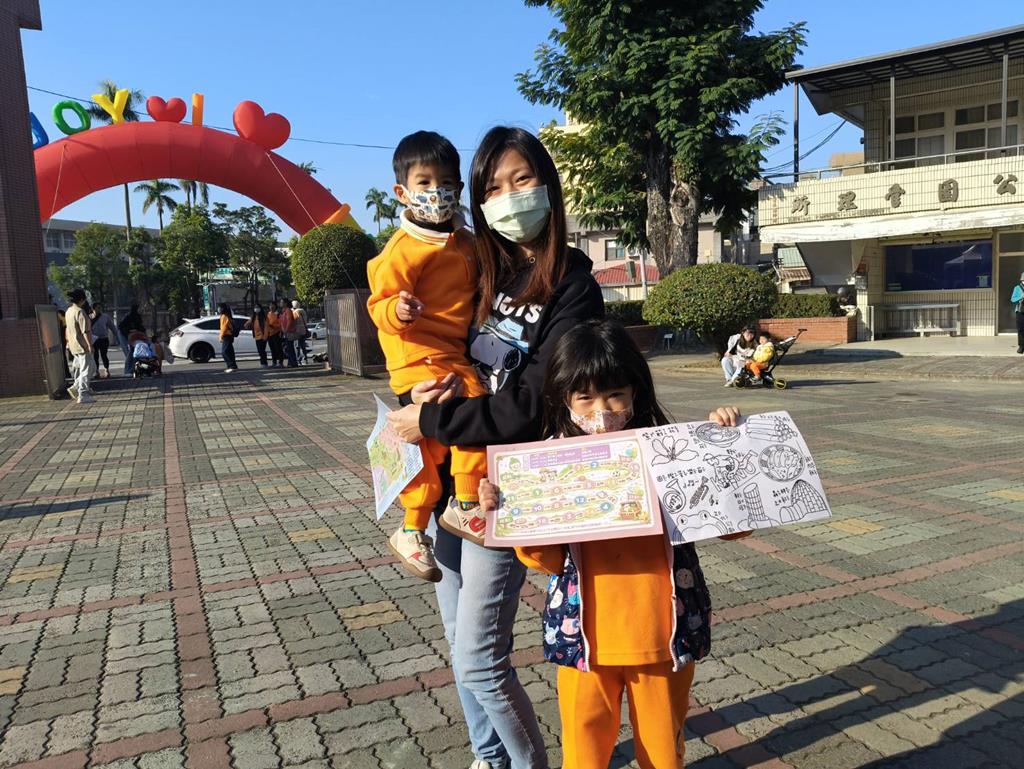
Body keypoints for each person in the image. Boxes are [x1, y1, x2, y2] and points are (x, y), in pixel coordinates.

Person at [388, 126, 605, 769]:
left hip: (505, 488)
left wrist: (432, 420)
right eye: (492, 187)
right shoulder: (481, 266)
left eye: (521, 180)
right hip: (455, 481)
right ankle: (489, 758)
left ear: (547, 184)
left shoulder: (573, 286)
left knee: (480, 659)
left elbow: (529, 405)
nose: (509, 197)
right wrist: (416, 388)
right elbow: (431, 341)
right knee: (458, 641)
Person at [480, 320, 746, 769]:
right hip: (583, 638)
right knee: (583, 754)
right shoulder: (544, 463)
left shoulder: (671, 452)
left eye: (615, 394)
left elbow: (734, 525)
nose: (601, 410)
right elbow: (547, 561)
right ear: (564, 399)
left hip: (663, 635)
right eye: (584, 397)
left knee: (663, 755)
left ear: (636, 391)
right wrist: (509, 512)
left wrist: (727, 444)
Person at [367, 130, 488, 583]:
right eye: (424, 182)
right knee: (475, 411)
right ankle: (467, 502)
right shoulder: (401, 249)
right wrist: (397, 311)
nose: (437, 192)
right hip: (418, 355)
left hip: (450, 352)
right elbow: (377, 304)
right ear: (402, 192)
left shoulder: (467, 243)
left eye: (446, 182)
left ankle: (412, 528)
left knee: (431, 445)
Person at [65, 289, 94, 404]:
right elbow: (85, 331)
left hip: (73, 345)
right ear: (81, 300)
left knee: (86, 368)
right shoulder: (80, 312)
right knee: (87, 370)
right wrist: (89, 345)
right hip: (82, 345)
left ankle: (75, 387)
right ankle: (82, 394)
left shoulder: (68, 311)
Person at [117, 304, 145, 376]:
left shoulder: (138, 317)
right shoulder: (128, 316)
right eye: (140, 308)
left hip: (131, 335)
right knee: (129, 352)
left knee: (134, 352)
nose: (142, 310)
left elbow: (140, 327)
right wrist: (130, 330)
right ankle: (127, 371)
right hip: (123, 334)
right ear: (136, 309)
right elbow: (121, 327)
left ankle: (134, 369)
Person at [90, 303, 114, 379]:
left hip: (104, 338)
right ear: (93, 309)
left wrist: (116, 334)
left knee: (104, 355)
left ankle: (106, 369)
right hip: (94, 339)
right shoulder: (89, 317)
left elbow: (111, 326)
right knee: (95, 356)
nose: (99, 309)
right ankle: (96, 371)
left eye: (100, 308)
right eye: (97, 308)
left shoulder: (105, 317)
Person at [278, 298, 298, 367]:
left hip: (289, 332)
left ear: (285, 303)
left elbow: (289, 321)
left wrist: (286, 329)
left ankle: (293, 362)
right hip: (285, 332)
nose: (280, 303)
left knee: (290, 347)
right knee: (288, 348)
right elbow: (281, 322)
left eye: (282, 302)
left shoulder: (288, 311)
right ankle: (290, 362)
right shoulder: (283, 311)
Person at [219, 303, 238, 372]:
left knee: (224, 352)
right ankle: (233, 366)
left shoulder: (223, 316)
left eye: (220, 308)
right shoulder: (227, 316)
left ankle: (231, 366)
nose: (219, 309)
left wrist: (221, 337)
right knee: (230, 351)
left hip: (226, 336)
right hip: (230, 335)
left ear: (223, 309)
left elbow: (223, 328)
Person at [291, 300, 311, 364]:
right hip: (303, 331)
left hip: (296, 331)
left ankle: (298, 359)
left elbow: (293, 321)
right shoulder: (303, 312)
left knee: (297, 346)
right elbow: (305, 321)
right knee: (303, 345)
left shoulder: (294, 312)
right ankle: (305, 358)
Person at [266, 302, 285, 367]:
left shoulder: (278, 314)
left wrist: (274, 326)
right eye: (270, 305)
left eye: (273, 305)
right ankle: (274, 362)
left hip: (276, 333)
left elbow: (281, 324)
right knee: (272, 349)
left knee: (278, 348)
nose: (271, 307)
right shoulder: (268, 314)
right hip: (269, 334)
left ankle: (280, 362)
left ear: (275, 306)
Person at [1011, 270, 1024, 354]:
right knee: (1021, 329)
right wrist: (1021, 296)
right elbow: (1012, 299)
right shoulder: (1017, 288)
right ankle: (1021, 346)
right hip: (1020, 311)